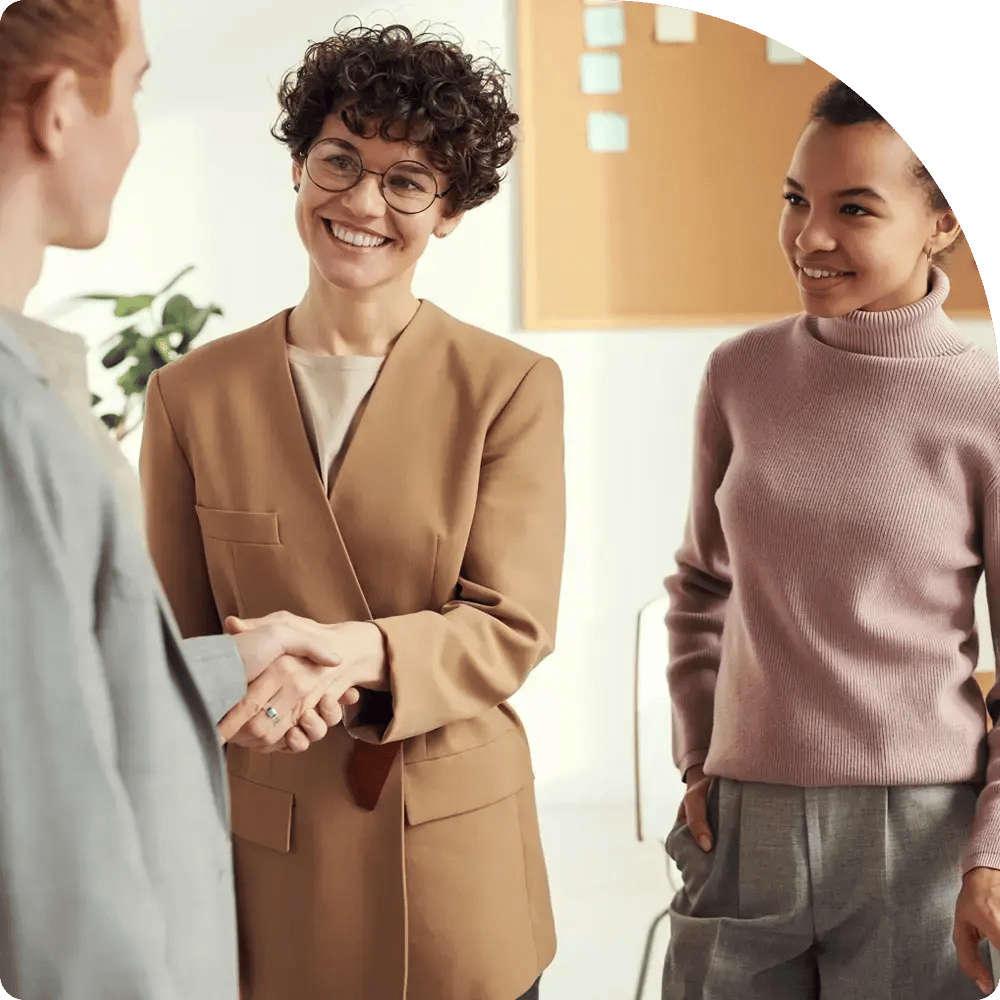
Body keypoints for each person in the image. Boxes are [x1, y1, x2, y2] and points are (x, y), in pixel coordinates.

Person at [138, 22, 566, 1000]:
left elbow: (511, 627)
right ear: (299, 166)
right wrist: (244, 700)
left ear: (450, 209)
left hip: (453, 861)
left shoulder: (509, 387)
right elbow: (173, 646)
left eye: (407, 179)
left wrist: (338, 648)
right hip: (277, 852)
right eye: (340, 161)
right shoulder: (189, 396)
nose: (363, 202)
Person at [0, 1, 361, 996]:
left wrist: (216, 668)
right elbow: (46, 824)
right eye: (139, 86)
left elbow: (53, 693)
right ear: (63, 109)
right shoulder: (19, 428)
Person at [661, 79, 1000, 999]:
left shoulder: (985, 405)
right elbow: (699, 587)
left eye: (854, 208)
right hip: (744, 816)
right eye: (795, 200)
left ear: (941, 223)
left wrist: (992, 855)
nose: (809, 236)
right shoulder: (741, 373)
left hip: (919, 831)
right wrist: (699, 756)